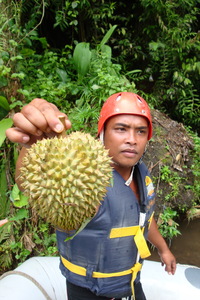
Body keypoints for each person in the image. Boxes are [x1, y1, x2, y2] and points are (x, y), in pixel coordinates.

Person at [6, 92, 176, 300]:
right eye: (121, 129)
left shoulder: (141, 173)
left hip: (131, 283)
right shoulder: (88, 177)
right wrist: (33, 147)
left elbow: (144, 219)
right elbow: (34, 185)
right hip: (89, 291)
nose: (132, 140)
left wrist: (164, 249)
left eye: (140, 131)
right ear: (102, 133)